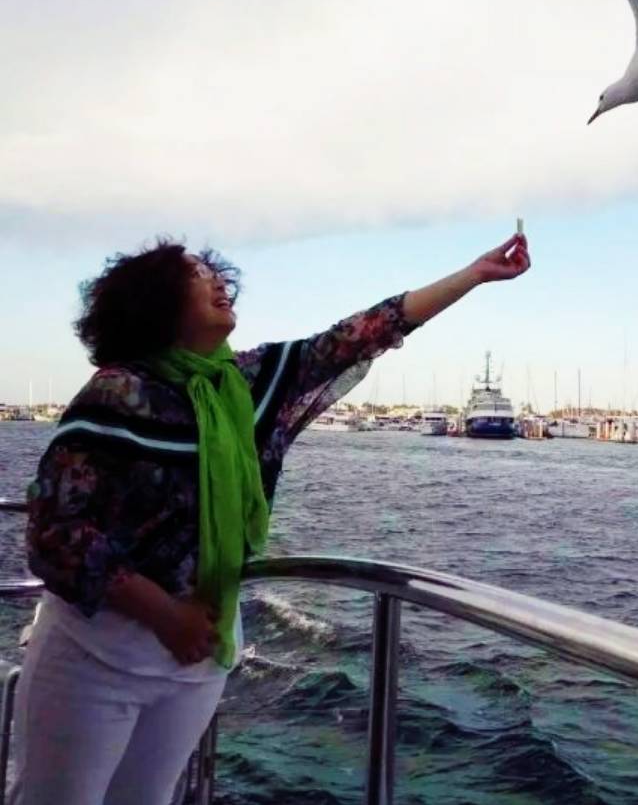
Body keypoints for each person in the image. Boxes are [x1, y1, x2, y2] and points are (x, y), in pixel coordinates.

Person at [11, 231, 530, 805]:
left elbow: (361, 333)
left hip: (197, 659)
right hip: (96, 656)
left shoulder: (248, 384)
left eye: (215, 271)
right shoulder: (115, 396)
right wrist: (165, 614)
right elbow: (55, 532)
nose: (216, 281)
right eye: (195, 274)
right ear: (155, 301)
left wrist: (474, 275)